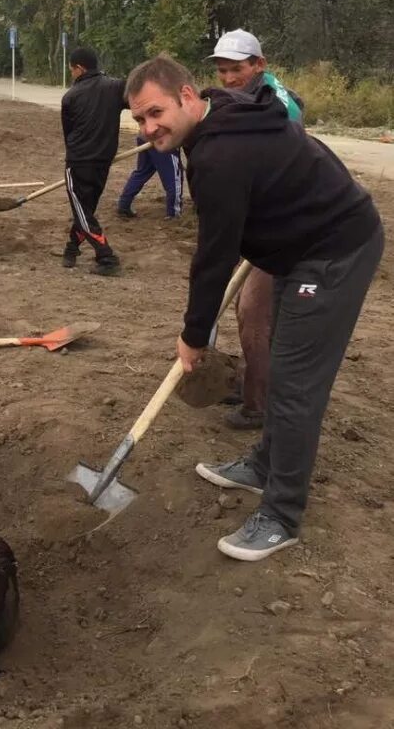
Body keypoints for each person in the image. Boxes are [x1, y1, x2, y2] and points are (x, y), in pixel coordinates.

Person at [126, 54, 383, 561]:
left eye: (155, 113)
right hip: (301, 244)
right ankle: (265, 463)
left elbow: (214, 255)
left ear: (186, 96)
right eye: (138, 120)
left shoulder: (219, 156)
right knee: (282, 367)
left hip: (335, 249)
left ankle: (282, 513)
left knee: (294, 383)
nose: (148, 128)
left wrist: (194, 334)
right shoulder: (222, 112)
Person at [207, 28, 304, 430]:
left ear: (259, 65)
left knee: (253, 312)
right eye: (223, 71)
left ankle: (257, 405)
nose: (228, 78)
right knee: (248, 313)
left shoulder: (281, 106)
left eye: (237, 69)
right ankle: (253, 382)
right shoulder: (243, 98)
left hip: (286, 224)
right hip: (258, 221)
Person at [61, 47, 127, 276]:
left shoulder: (70, 96)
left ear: (79, 68)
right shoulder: (116, 87)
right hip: (103, 161)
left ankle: (106, 257)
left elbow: (68, 133)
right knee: (85, 210)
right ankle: (71, 249)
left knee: (83, 211)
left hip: (79, 162)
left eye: (71, 70)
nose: (72, 74)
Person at [117, 136, 184, 220]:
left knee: (143, 172)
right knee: (174, 178)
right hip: (164, 138)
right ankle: (174, 213)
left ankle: (124, 204)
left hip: (145, 136)